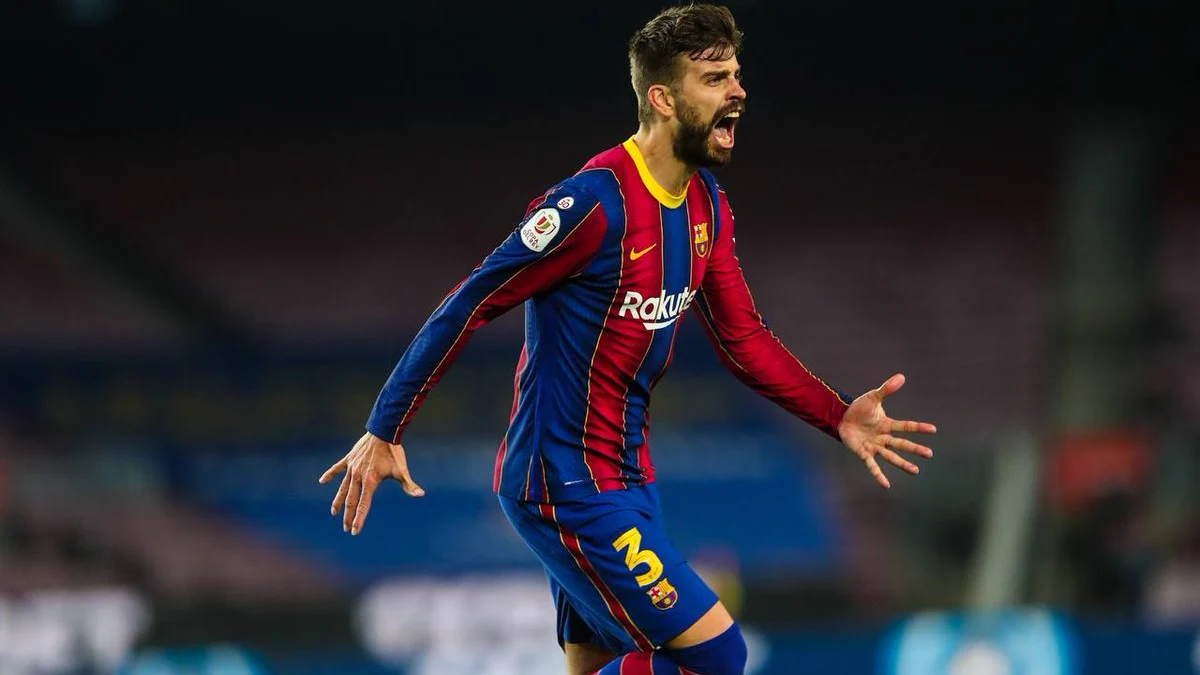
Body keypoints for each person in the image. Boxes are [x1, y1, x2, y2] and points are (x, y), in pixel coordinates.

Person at [319, 5, 936, 674]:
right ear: (663, 98)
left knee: (603, 661)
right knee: (717, 656)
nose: (738, 91)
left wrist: (838, 412)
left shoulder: (707, 206)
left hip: (628, 478)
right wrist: (386, 426)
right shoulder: (591, 205)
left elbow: (743, 339)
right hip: (564, 482)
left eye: (737, 74)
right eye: (716, 78)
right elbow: (469, 302)